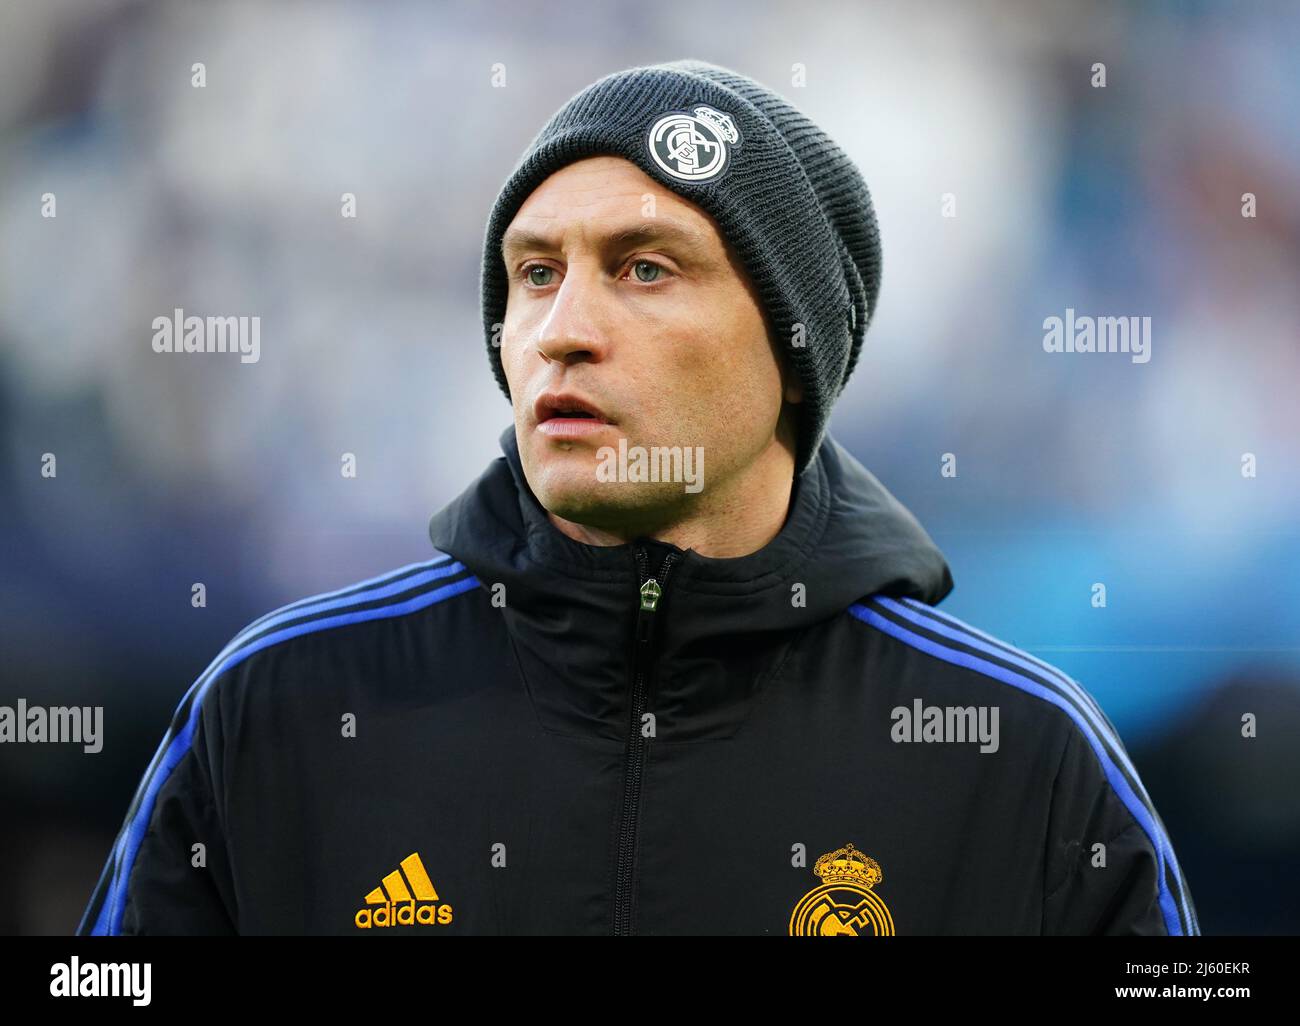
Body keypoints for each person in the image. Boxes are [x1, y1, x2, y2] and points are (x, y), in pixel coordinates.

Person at [78, 59, 1198, 936]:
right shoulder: (278, 711)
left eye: (644, 268)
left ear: (794, 353)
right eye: (533, 273)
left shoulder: (1023, 762)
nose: (563, 329)